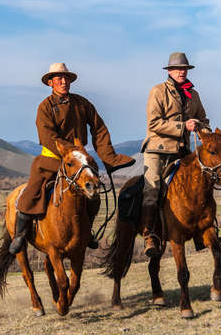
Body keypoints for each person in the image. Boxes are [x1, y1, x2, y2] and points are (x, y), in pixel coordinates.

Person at [9, 63, 135, 254]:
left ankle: (87, 231)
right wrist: (69, 151)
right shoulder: (45, 107)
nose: (63, 81)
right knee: (32, 192)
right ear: (50, 83)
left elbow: (98, 128)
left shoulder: (82, 103)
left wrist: (108, 156)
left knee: (93, 193)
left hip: (78, 160)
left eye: (66, 78)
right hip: (52, 158)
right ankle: (20, 234)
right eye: (58, 78)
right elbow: (47, 136)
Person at [140, 52, 211, 257]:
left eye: (184, 69)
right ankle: (149, 235)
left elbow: (203, 120)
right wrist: (183, 126)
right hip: (158, 150)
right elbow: (153, 123)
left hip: (182, 151)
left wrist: (204, 132)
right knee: (152, 187)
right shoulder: (158, 91)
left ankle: (202, 232)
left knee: (201, 184)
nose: (181, 72)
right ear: (169, 71)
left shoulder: (193, 95)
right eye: (178, 69)